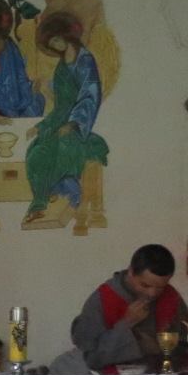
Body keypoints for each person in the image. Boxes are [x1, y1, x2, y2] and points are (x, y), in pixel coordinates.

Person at [23, 12, 109, 225]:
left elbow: (90, 96)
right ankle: (43, 199)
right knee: (36, 152)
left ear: (66, 35)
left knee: (62, 147)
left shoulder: (85, 60)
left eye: (57, 39)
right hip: (61, 122)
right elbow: (61, 106)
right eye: (52, 43)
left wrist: (72, 123)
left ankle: (50, 201)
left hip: (79, 127)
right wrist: (42, 125)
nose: (57, 45)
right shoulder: (61, 68)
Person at [69, 243, 188, 374]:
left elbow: (185, 349)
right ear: (131, 272)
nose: (152, 293)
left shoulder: (171, 297)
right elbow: (91, 358)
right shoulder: (103, 298)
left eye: (160, 287)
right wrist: (127, 323)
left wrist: (160, 350)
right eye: (145, 285)